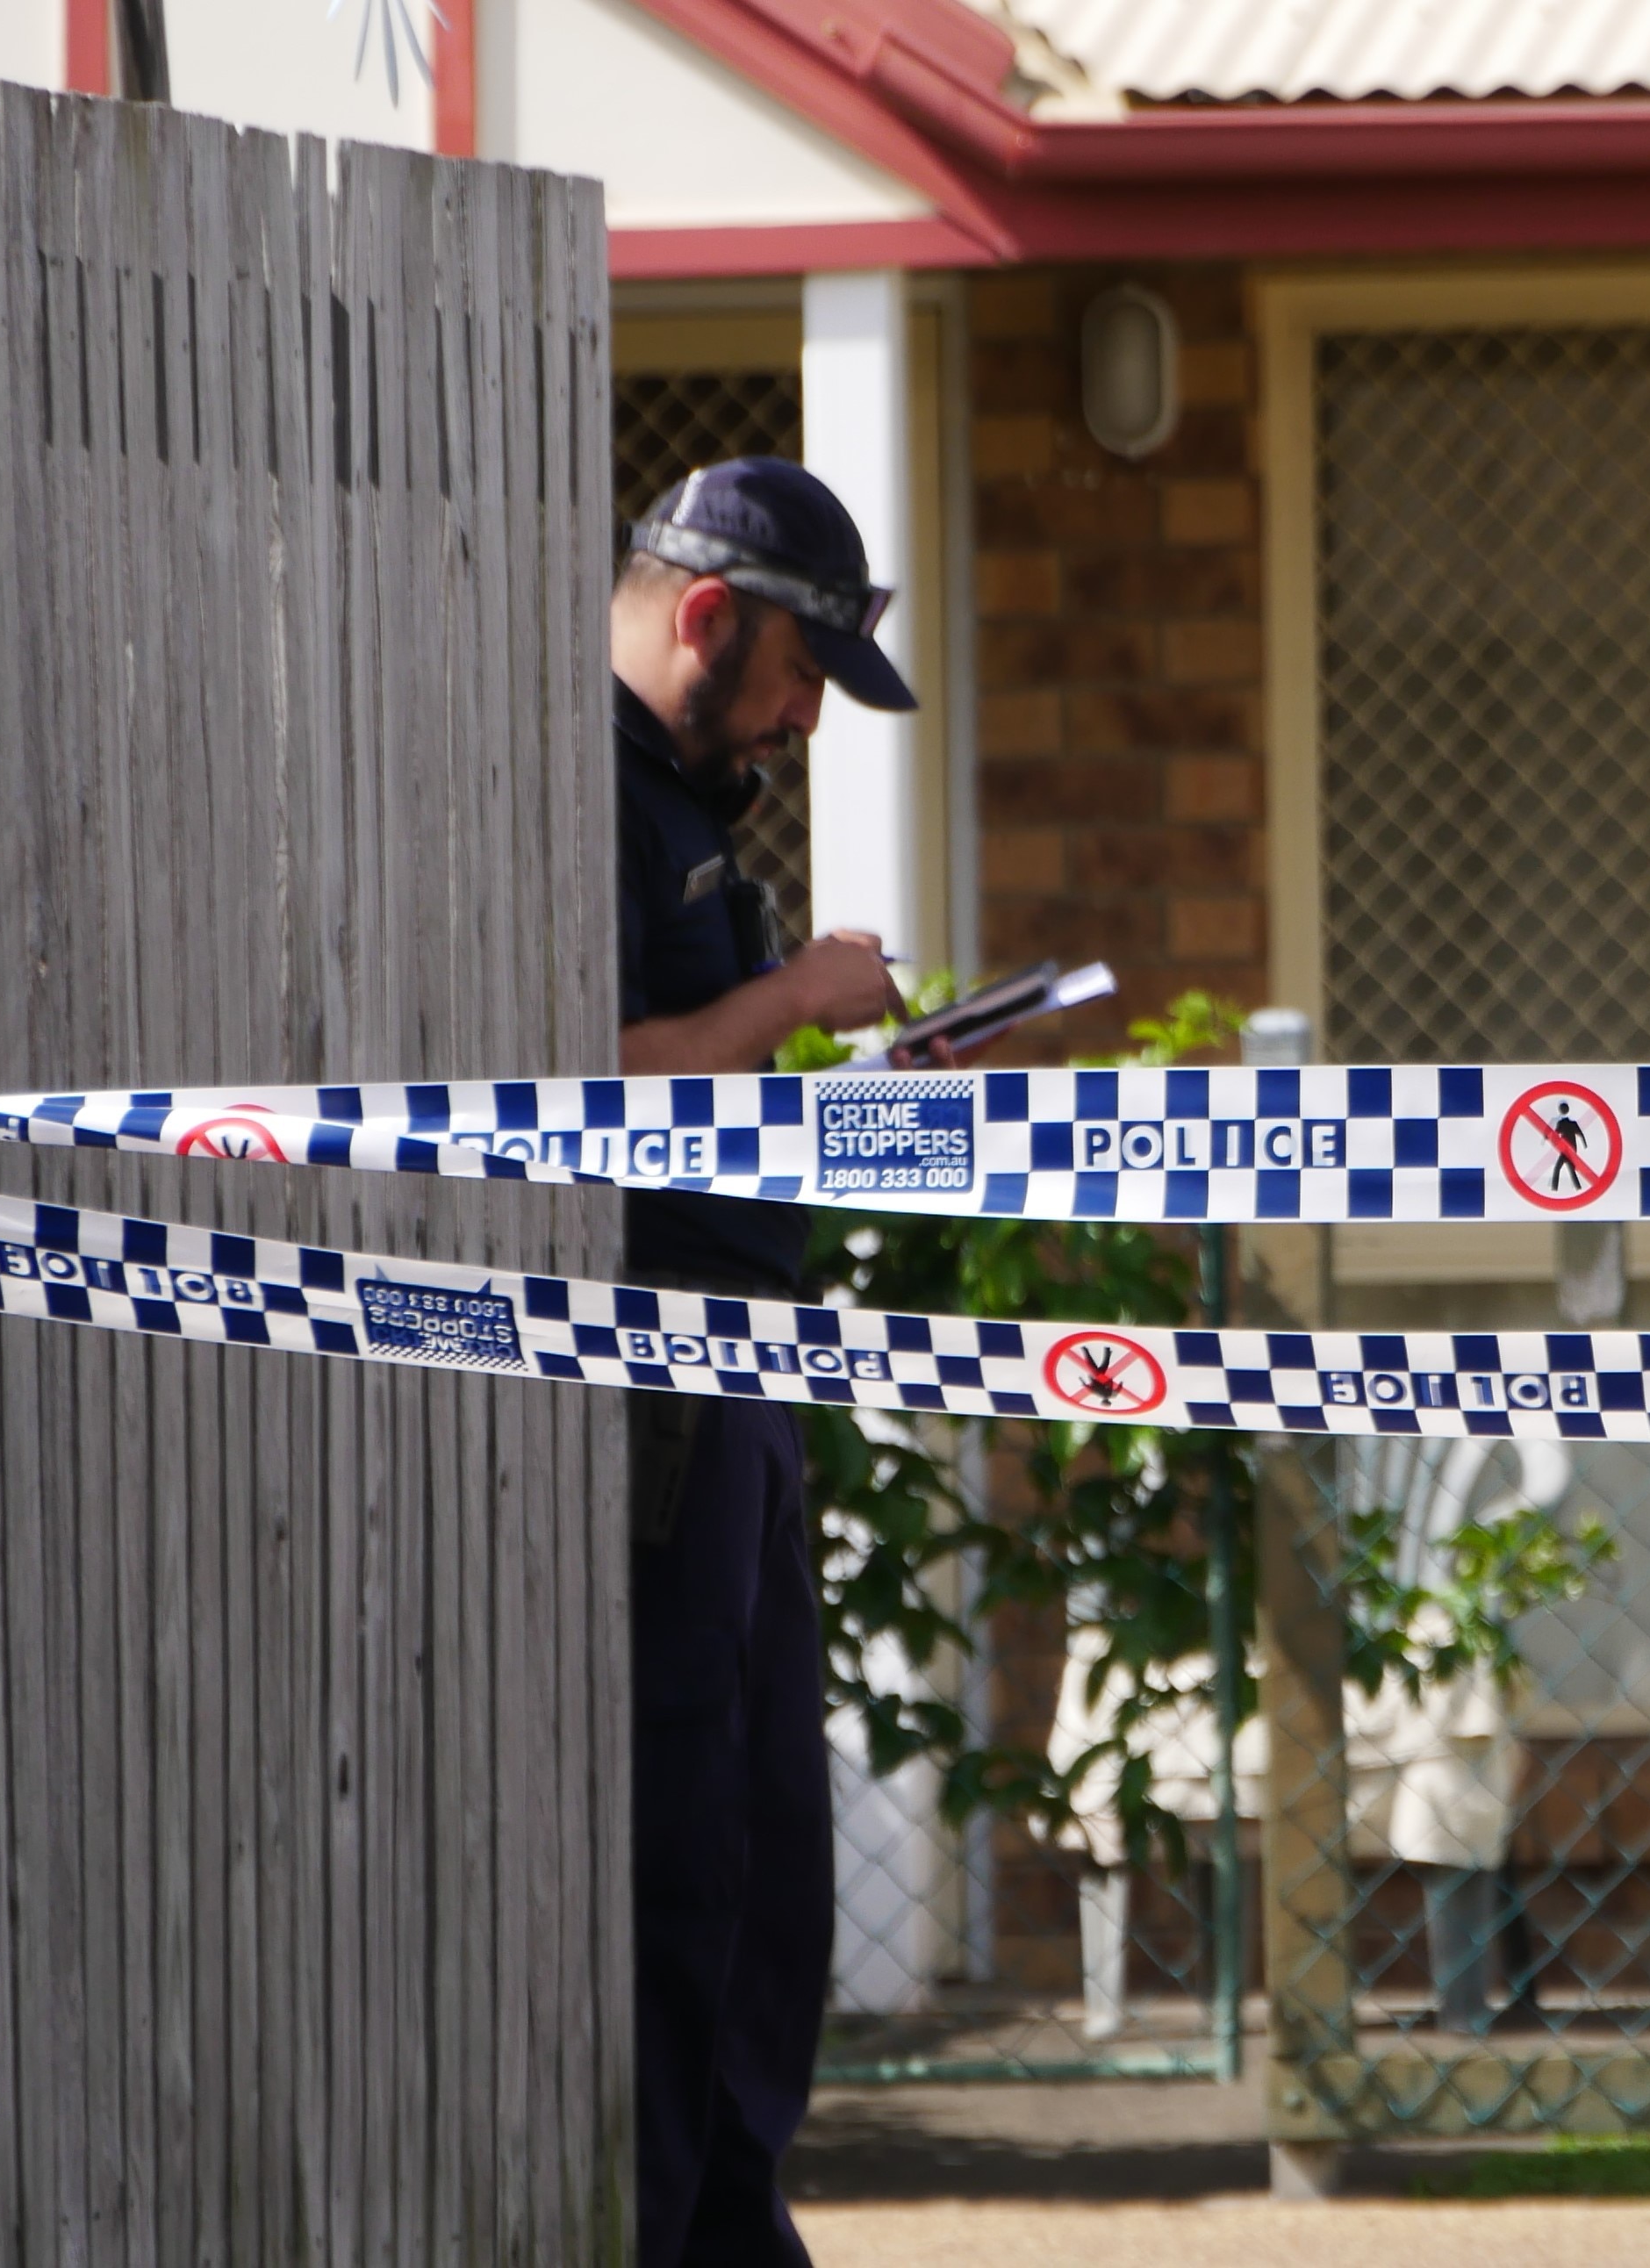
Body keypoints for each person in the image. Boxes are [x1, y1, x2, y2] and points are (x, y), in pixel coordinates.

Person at [610, 457, 915, 2268]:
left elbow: (716, 1081)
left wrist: (870, 1082)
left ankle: (738, 2216)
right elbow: (582, 1075)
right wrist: (789, 996)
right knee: (683, 1831)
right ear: (708, 617)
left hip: (743, 1369)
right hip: (646, 1371)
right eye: (803, 670)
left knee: (766, 1850)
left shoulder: (692, 786)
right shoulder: (583, 787)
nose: (805, 719)